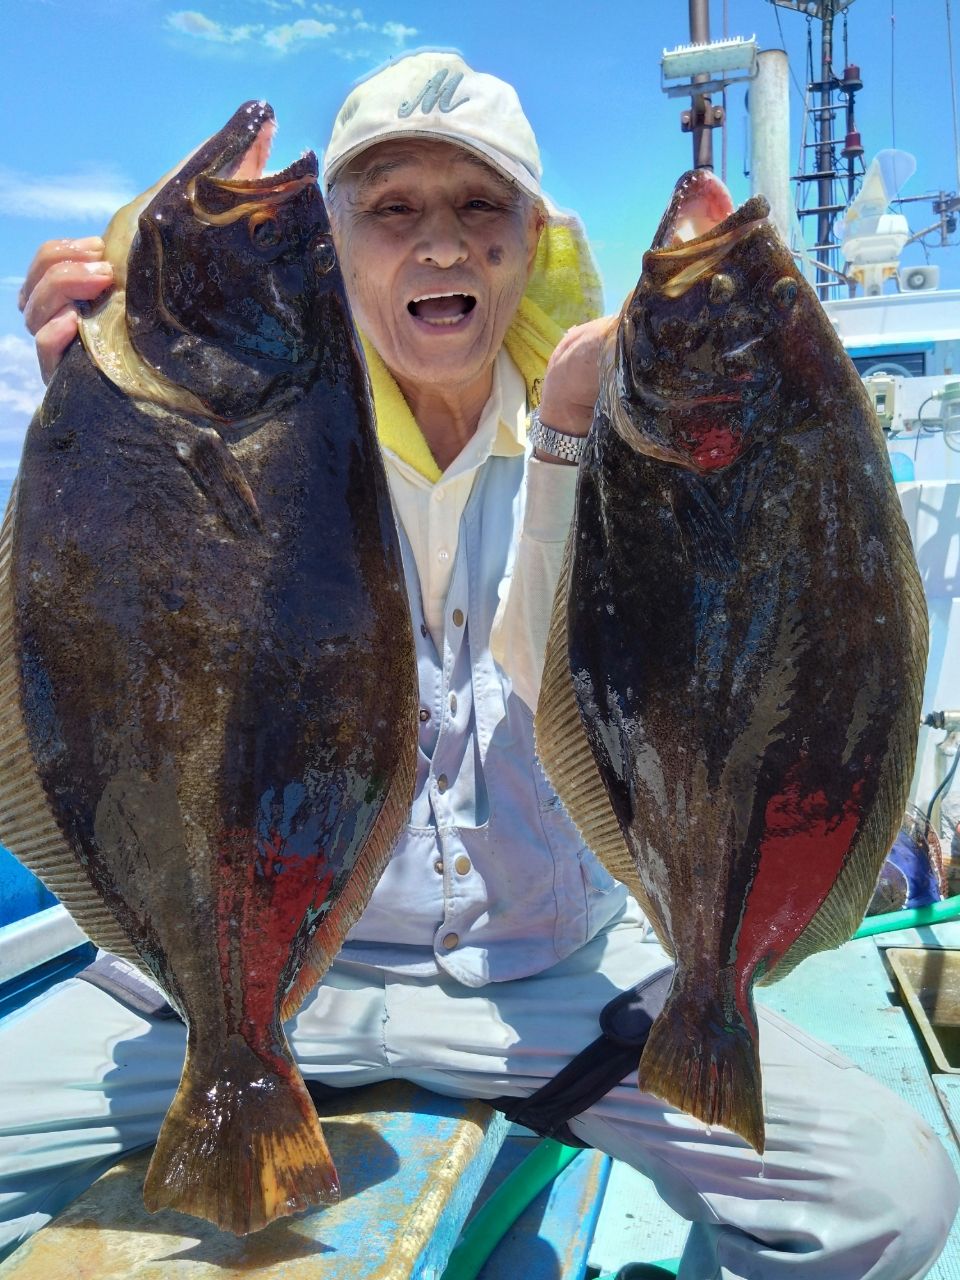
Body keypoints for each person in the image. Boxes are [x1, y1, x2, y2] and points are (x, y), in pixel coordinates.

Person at [5, 49, 959, 1278]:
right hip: (239, 985)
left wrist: (567, 434)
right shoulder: (232, 417)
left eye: (478, 208)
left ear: (529, 237)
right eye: (391, 209)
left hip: (547, 980)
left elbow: (579, 672)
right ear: (335, 238)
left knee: (890, 1199)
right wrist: (94, 442)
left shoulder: (614, 422)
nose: (440, 246)